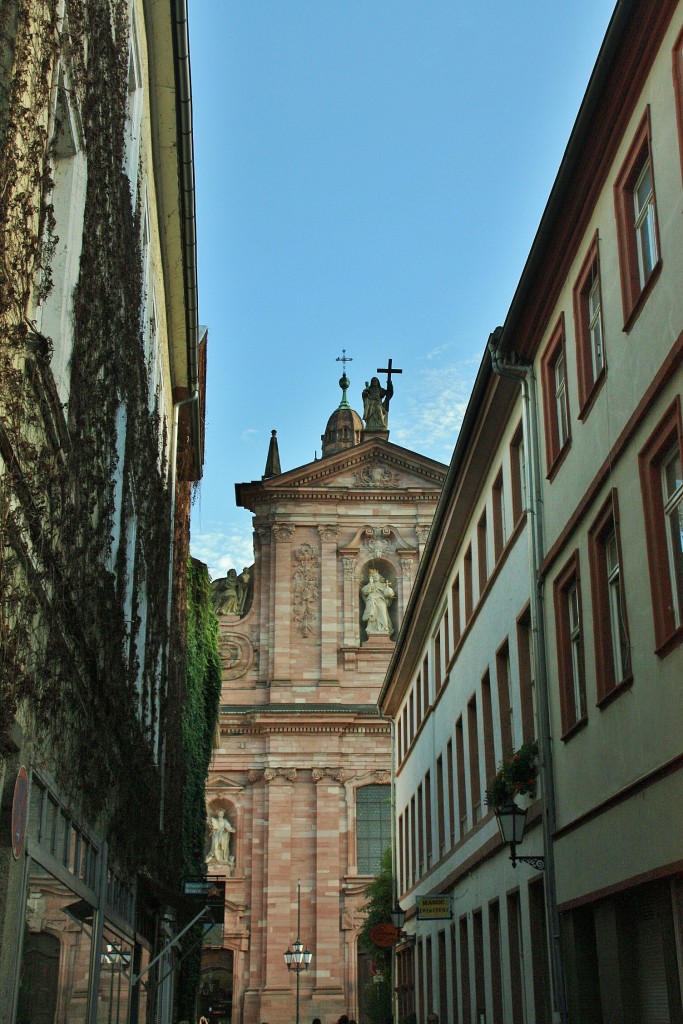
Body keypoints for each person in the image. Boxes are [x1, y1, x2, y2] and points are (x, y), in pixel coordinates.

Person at [361, 569, 394, 636]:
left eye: (376, 576)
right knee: (372, 615)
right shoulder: (369, 585)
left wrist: (390, 593)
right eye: (373, 576)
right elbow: (364, 591)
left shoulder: (383, 585)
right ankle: (372, 629)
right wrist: (370, 583)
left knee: (383, 613)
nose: (375, 577)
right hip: (372, 601)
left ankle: (385, 628)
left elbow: (389, 593)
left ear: (380, 577)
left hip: (381, 600)